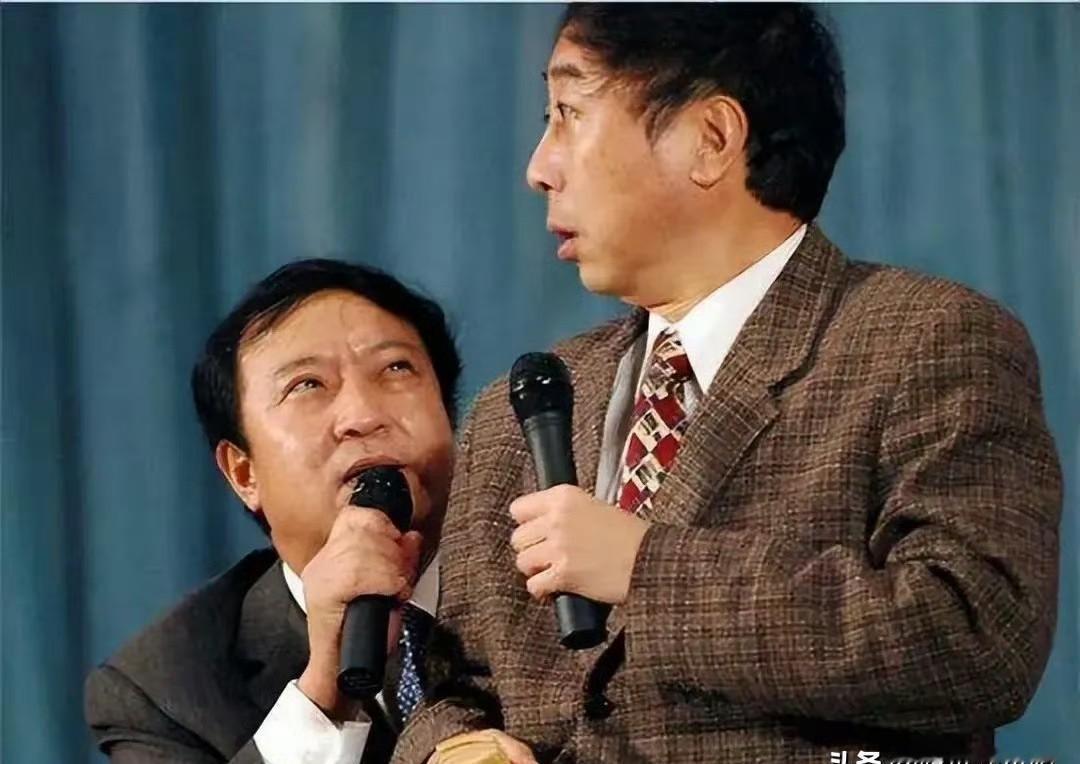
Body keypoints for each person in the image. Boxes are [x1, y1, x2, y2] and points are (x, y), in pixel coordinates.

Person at [393, 5, 1062, 764]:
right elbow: (450, 681)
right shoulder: (523, 403)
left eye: (569, 113)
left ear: (710, 139)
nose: (538, 167)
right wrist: (452, 746)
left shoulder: (926, 340)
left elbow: (977, 639)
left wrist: (647, 569)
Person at [86, 258, 462, 764]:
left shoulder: (543, 571)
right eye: (307, 385)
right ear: (244, 473)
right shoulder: (165, 688)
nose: (362, 415)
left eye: (397, 368)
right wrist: (324, 694)